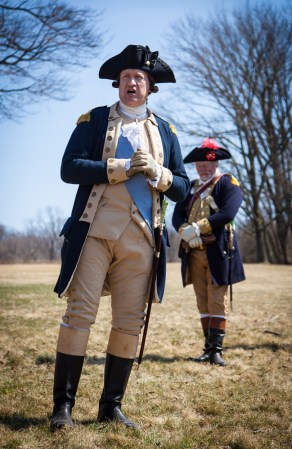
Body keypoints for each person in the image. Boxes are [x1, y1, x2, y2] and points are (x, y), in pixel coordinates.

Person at [49, 44, 190, 431]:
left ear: (150, 88)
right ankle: (63, 408)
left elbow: (182, 186)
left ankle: (109, 408)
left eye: (140, 79)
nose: (133, 83)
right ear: (117, 83)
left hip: (142, 239)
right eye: (127, 77)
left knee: (129, 322)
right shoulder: (93, 121)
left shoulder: (166, 131)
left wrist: (159, 174)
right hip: (95, 231)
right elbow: (69, 168)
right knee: (79, 315)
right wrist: (119, 166)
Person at [172, 137, 245, 366]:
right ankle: (207, 348)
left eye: (207, 163)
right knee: (202, 301)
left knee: (216, 300)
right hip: (193, 251)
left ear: (215, 163)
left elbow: (227, 213)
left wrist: (198, 227)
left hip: (218, 250)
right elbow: (176, 215)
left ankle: (216, 350)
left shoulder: (227, 183)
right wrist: (185, 231)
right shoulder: (191, 187)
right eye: (199, 164)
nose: (202, 167)